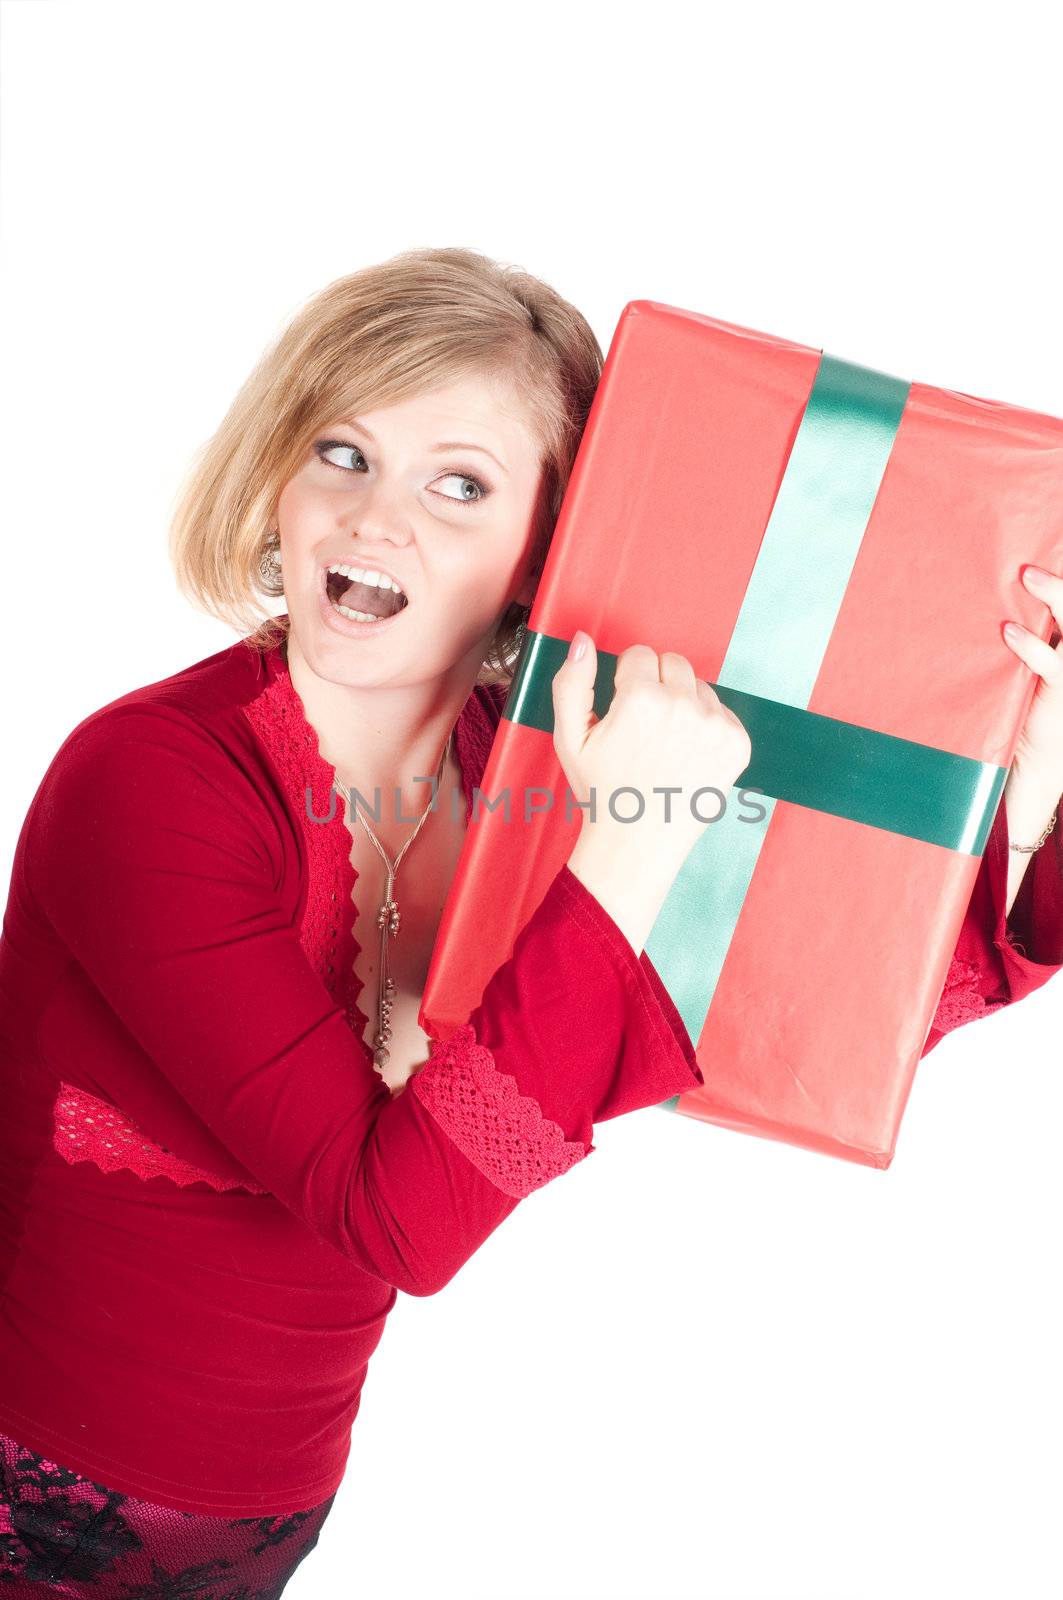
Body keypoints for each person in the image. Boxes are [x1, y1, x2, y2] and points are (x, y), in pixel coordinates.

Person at [0, 247, 1060, 1598]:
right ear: (273, 482)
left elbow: (798, 1021)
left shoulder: (541, 763)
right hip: (30, 1505)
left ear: (543, 554)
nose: (378, 517)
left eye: (461, 483)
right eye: (341, 452)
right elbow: (400, 1224)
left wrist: (1019, 798)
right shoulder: (153, 782)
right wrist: (630, 843)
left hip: (267, 1525)